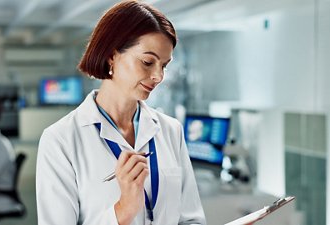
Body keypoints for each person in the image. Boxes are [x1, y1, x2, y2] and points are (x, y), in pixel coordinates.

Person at [36, 1, 206, 224]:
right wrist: (123, 209)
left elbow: (191, 219)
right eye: (148, 62)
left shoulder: (171, 131)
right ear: (111, 56)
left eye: (164, 65)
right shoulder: (60, 140)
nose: (159, 76)